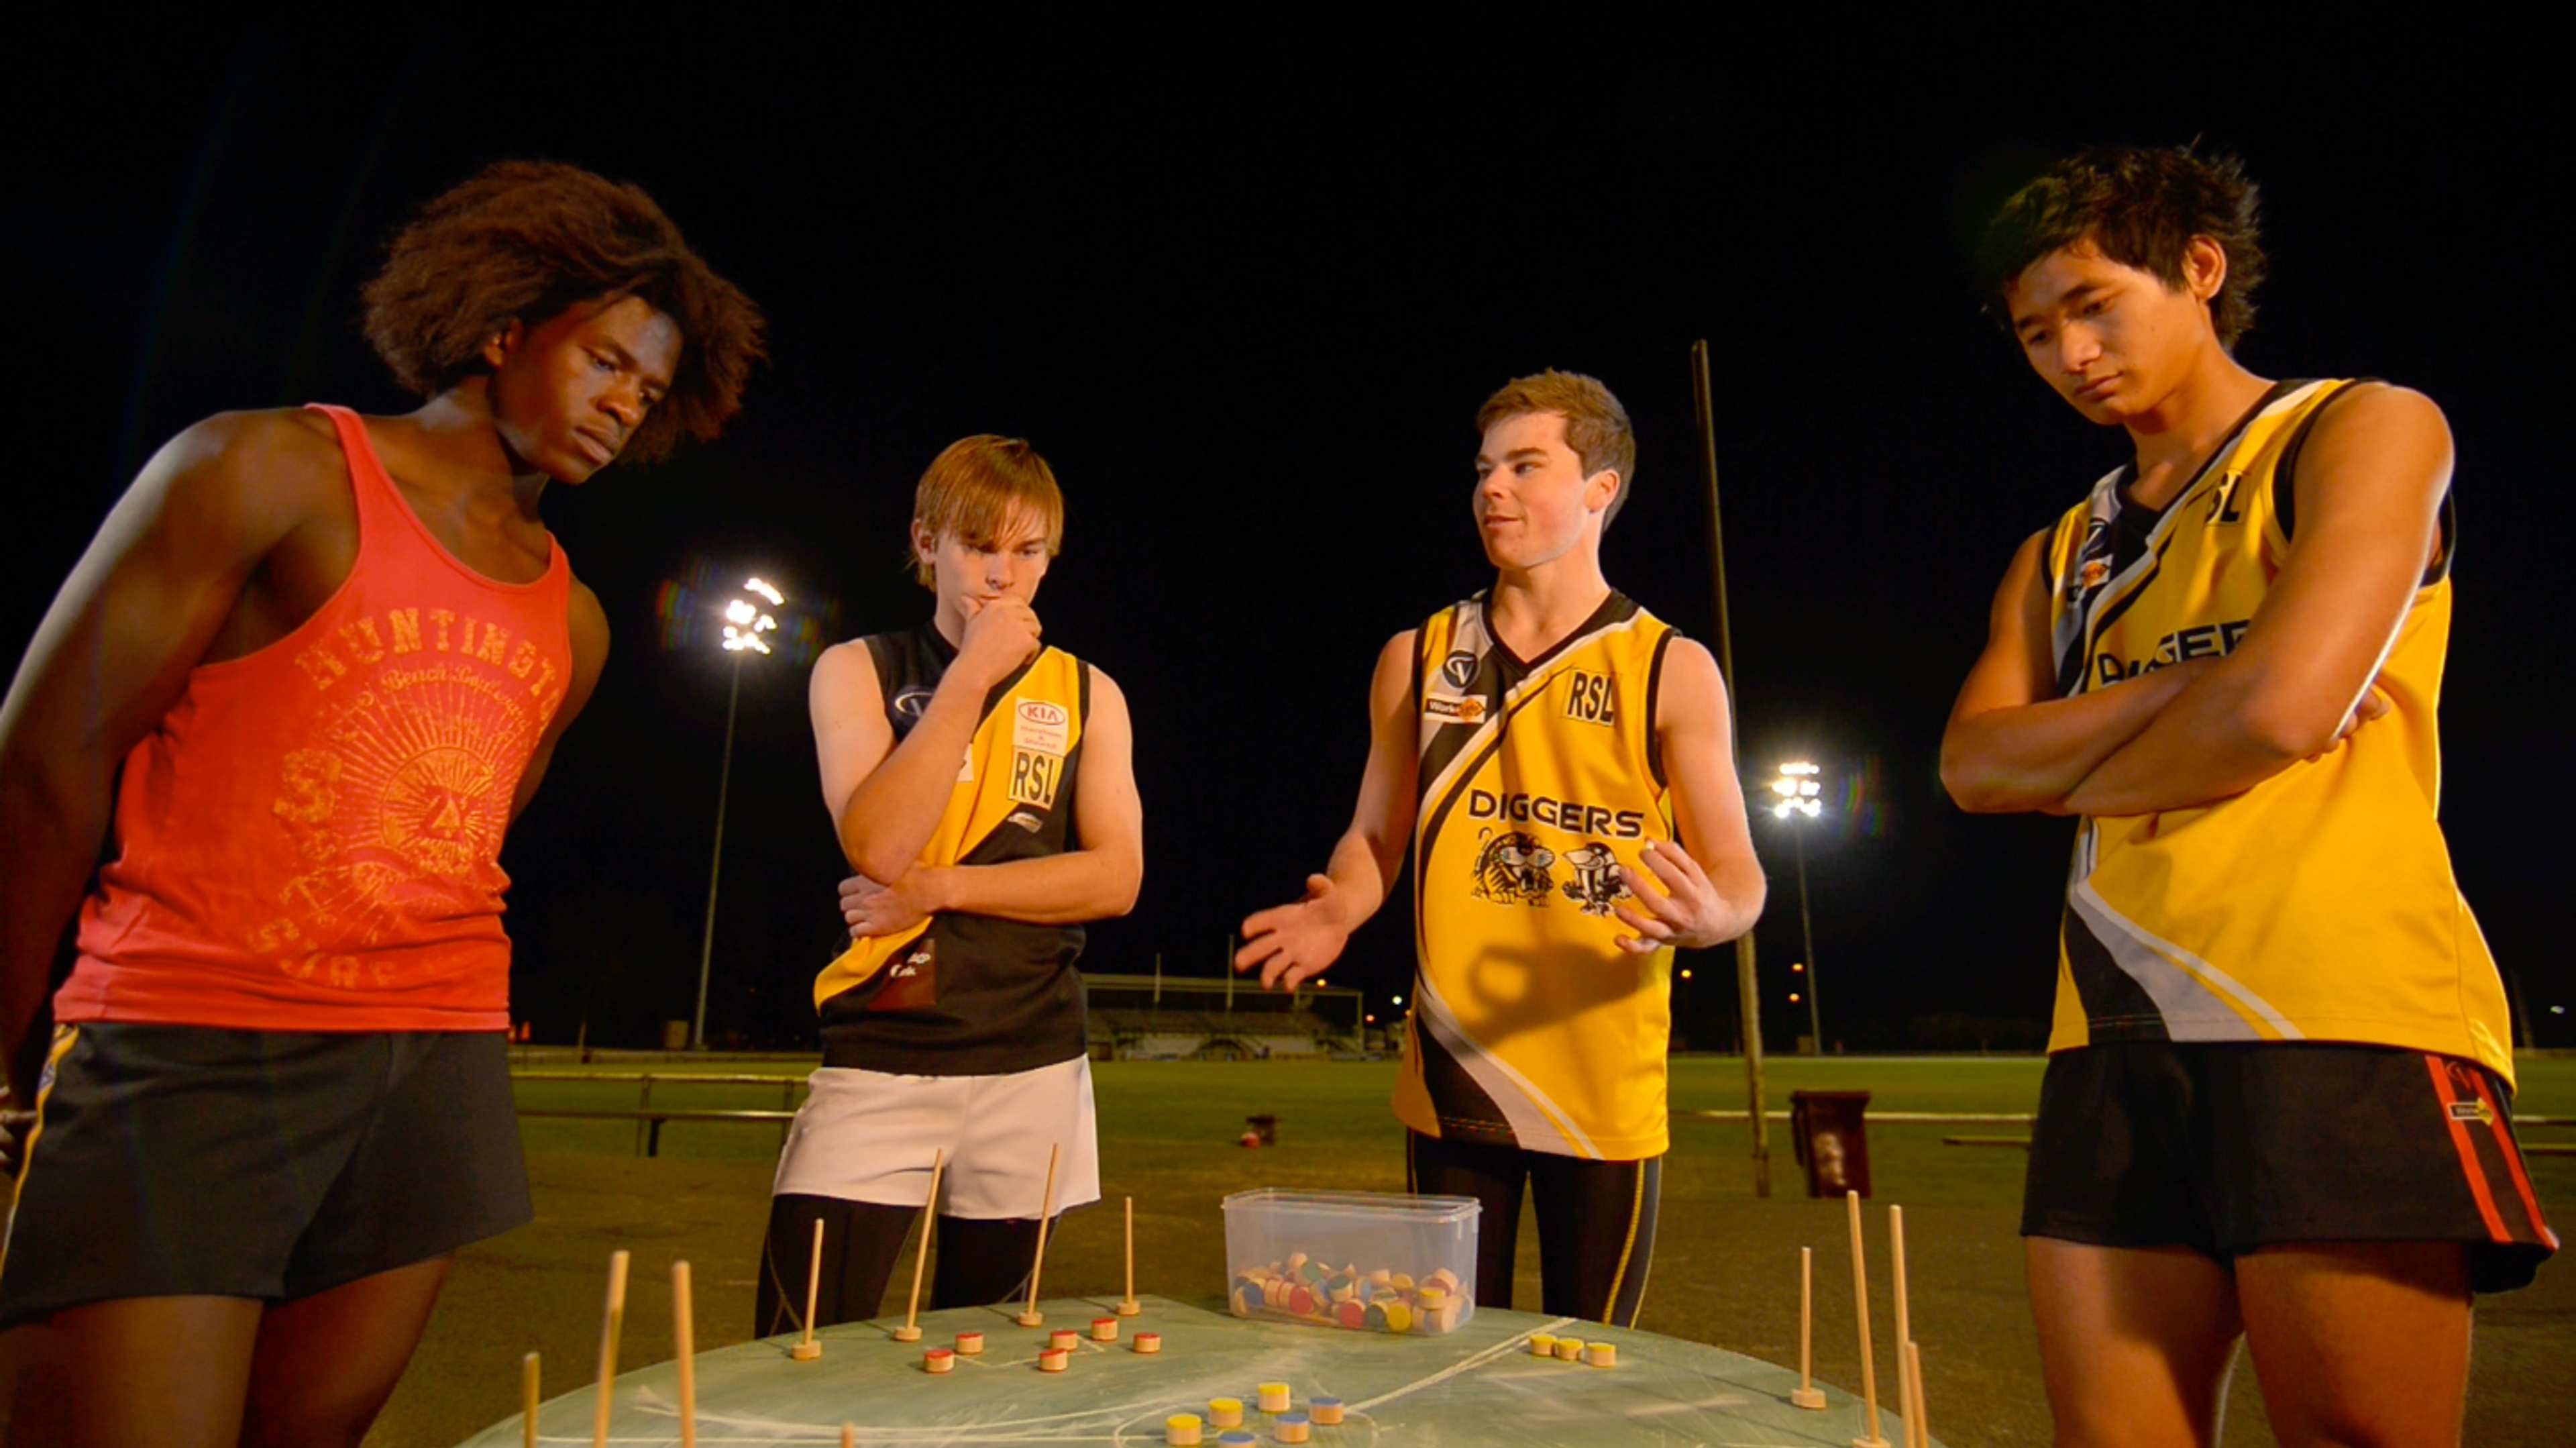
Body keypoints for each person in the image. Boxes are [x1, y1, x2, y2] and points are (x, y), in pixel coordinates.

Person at [0, 160, 763, 1448]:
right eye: (604, 361)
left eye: (647, 388)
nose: (624, 404)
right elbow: (39, 763)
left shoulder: (570, 619)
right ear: (504, 325)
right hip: (196, 1045)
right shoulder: (265, 469)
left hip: (430, 1071)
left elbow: (464, 839)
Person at [1941, 144, 2555, 1447]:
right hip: (2108, 1036)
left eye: (2096, 303)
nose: (2071, 354)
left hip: (2338, 1011)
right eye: (2037, 332)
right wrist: (2218, 683)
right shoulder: (2060, 550)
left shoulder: (2363, 426)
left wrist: (2086, 763)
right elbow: (1973, 765)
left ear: (2201, 267)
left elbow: (2283, 710)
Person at [1234, 370, 1764, 1325]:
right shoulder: (1421, 652)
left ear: (1601, 488)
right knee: (1447, 1369)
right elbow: (1373, 833)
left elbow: (1740, 876)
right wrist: (1345, 900)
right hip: (1454, 1071)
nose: (1492, 489)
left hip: (1602, 1092)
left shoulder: (1668, 667)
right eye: (1485, 469)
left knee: (1585, 1382)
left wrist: (1712, 913)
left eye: (1526, 466)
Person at [757, 435, 1142, 1335]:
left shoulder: (1091, 693)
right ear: (927, 542)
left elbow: (1116, 876)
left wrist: (941, 888)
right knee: (797, 1343)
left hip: (1032, 1060)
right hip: (881, 1055)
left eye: (1028, 550)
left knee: (981, 1364)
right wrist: (970, 672)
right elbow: (880, 845)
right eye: (979, 545)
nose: (1003, 576)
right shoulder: (857, 668)